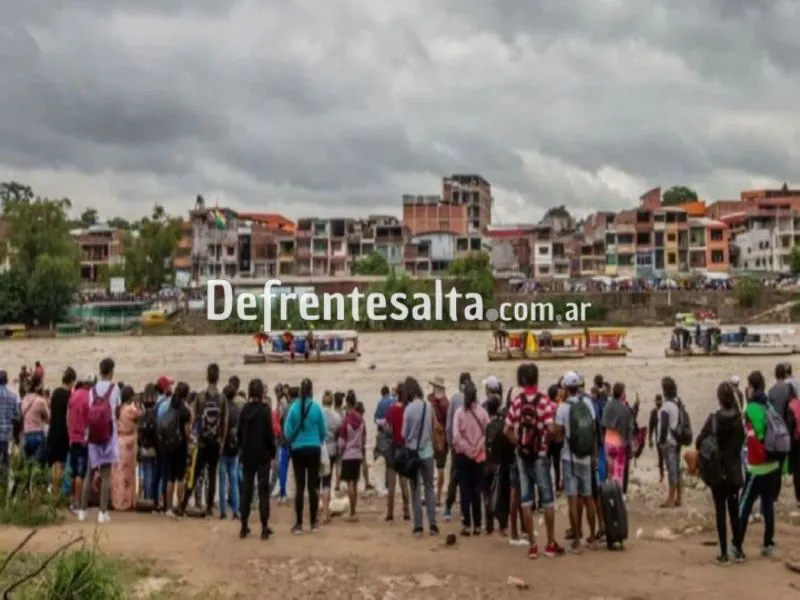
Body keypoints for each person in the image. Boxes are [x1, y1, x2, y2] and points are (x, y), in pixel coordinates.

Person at [505, 363, 563, 559]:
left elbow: (507, 429)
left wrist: (519, 446)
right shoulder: (544, 401)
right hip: (540, 456)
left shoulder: (517, 402)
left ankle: (532, 545)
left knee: (526, 500)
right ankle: (549, 543)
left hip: (522, 456)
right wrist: (545, 444)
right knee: (547, 500)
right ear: (537, 379)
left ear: (522, 380)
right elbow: (551, 429)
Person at [694, 381, 746, 564]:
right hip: (734, 472)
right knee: (734, 510)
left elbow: (698, 441)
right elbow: (741, 444)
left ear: (719, 399)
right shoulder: (739, 421)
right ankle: (738, 550)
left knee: (720, 511)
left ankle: (724, 553)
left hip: (717, 472)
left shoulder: (713, 420)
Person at [554, 371, 598, 554]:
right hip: (587, 458)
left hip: (569, 458)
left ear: (565, 388)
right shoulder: (587, 403)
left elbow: (557, 437)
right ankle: (593, 538)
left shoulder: (562, 408)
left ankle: (577, 540)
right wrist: (594, 456)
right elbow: (593, 431)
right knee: (588, 498)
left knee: (572, 499)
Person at [739, 370, 779, 557]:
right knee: (768, 503)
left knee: (745, 505)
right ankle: (768, 544)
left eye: (748, 386)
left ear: (752, 388)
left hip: (756, 466)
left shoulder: (750, 409)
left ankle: (736, 546)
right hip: (772, 464)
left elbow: (746, 437)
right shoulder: (768, 406)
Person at [78, 357, 120, 524]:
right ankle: (103, 512)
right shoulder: (114, 389)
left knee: (89, 473)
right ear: (111, 371)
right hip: (108, 436)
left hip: (93, 436)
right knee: (106, 475)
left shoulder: (92, 390)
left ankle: (83, 510)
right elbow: (116, 411)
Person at [283, 378, 326, 535]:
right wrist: (317, 441)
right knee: (313, 486)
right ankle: (314, 523)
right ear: (312, 392)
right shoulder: (316, 408)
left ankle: (299, 524)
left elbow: (287, 431)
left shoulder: (294, 408)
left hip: (298, 450)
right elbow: (323, 430)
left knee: (300, 487)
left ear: (300, 392)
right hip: (314, 448)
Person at [237, 378, 276, 540]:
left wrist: (242, 448)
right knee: (263, 491)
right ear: (261, 393)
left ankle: (244, 525)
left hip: (247, 455)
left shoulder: (245, 409)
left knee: (246, 490)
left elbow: (239, 433)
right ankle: (264, 526)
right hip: (262, 455)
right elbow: (269, 434)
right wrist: (272, 452)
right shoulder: (265, 410)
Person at [185, 363, 224, 515]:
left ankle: (185, 503)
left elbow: (192, 419)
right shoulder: (221, 399)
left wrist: (191, 436)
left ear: (207, 376)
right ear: (218, 377)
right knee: (212, 476)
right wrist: (222, 441)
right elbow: (224, 422)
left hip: (202, 442)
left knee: (195, 474)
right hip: (215, 442)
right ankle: (209, 507)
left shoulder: (201, 397)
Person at [402, 376, 439, 536]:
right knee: (430, 488)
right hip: (428, 451)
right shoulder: (428, 406)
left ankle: (418, 526)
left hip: (412, 453)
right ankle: (433, 524)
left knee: (415, 489)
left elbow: (404, 433)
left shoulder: (408, 409)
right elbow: (432, 429)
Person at [452, 380, 490, 536]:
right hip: (479, 456)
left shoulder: (459, 413)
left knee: (465, 490)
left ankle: (467, 524)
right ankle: (478, 524)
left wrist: (467, 449)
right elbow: (487, 433)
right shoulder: (482, 413)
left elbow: (455, 437)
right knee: (477, 490)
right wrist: (477, 448)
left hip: (462, 456)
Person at [159, 382, 192, 517]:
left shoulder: (167, 405)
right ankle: (179, 506)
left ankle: (168, 507)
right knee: (180, 477)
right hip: (181, 444)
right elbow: (188, 431)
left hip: (168, 444)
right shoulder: (186, 410)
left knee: (169, 478)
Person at [444, 372, 471, 519]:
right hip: (470, 446)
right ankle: (463, 510)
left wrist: (450, 443)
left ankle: (448, 508)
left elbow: (449, 425)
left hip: (456, 446)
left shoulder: (454, 399)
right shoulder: (473, 400)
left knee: (454, 477)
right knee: (467, 478)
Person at [111, 385, 141, 511]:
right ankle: (127, 501)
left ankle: (117, 500)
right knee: (128, 475)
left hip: (118, 441)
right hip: (129, 442)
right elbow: (140, 415)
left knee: (118, 473)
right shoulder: (130, 409)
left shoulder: (118, 409)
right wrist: (138, 404)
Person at [384, 381, 410, 522]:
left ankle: (390, 512)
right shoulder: (407, 410)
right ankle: (406, 510)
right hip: (404, 448)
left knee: (391, 482)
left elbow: (388, 430)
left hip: (393, 447)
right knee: (404, 481)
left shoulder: (391, 410)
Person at [657, 376, 684, 508]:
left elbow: (663, 425)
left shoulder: (666, 406)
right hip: (676, 441)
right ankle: (679, 497)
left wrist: (661, 441)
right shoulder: (676, 404)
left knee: (671, 470)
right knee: (677, 470)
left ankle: (671, 498)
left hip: (668, 442)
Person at [602, 382, 635, 486]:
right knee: (618, 472)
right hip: (619, 443)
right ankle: (617, 495)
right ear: (622, 394)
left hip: (608, 441)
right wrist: (630, 445)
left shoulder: (607, 405)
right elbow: (629, 429)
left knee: (610, 472)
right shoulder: (625, 409)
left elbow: (603, 423)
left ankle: (609, 494)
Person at [47, 368, 74, 494]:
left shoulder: (55, 393)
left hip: (53, 430)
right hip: (64, 432)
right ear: (71, 381)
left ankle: (53, 489)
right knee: (61, 464)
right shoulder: (69, 396)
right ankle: (57, 492)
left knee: (55, 464)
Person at [768, 362, 792, 501]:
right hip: (786, 433)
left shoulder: (771, 392)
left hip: (773, 434)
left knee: (774, 465)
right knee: (782, 463)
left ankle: (773, 495)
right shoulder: (789, 391)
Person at [339, 398, 366, 521]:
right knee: (355, 483)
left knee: (350, 483)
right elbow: (364, 439)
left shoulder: (346, 421)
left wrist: (340, 451)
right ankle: (354, 510)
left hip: (348, 454)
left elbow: (341, 442)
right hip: (358, 454)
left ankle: (352, 511)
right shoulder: (362, 421)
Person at [218, 385, 241, 520]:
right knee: (234, 480)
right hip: (234, 448)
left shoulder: (223, 409)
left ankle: (223, 511)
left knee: (222, 481)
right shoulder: (237, 409)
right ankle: (236, 510)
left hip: (223, 448)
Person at [320, 390, 343, 524]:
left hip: (320, 447)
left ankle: (318, 510)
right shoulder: (336, 416)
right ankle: (326, 513)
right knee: (327, 481)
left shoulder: (318, 413)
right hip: (332, 448)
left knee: (318, 479)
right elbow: (338, 433)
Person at [427, 376, 450, 509]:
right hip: (442, 440)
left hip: (430, 438)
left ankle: (430, 494)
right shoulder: (445, 403)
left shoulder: (430, 400)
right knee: (440, 468)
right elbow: (448, 424)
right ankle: (438, 496)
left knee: (429, 468)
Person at [137, 384, 159, 504]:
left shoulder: (142, 409)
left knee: (145, 471)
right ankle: (151, 497)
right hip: (154, 446)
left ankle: (146, 497)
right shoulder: (155, 408)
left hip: (144, 445)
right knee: (153, 471)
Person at [21, 374, 50, 465]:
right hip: (37, 434)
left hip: (26, 434)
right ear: (38, 386)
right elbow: (48, 417)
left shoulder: (24, 399)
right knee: (38, 466)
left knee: (28, 465)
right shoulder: (40, 401)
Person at [0, 371, 20, 471]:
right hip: (7, 434)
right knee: (5, 462)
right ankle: (3, 483)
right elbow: (17, 416)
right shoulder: (13, 396)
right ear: (6, 381)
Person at [648, 394, 665, 483]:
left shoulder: (665, 411)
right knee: (660, 457)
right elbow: (650, 427)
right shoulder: (653, 413)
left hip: (666, 438)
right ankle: (661, 475)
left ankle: (669, 473)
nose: (658, 402)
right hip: (658, 438)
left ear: (662, 401)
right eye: (657, 400)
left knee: (667, 456)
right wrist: (650, 439)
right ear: (655, 402)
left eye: (660, 400)